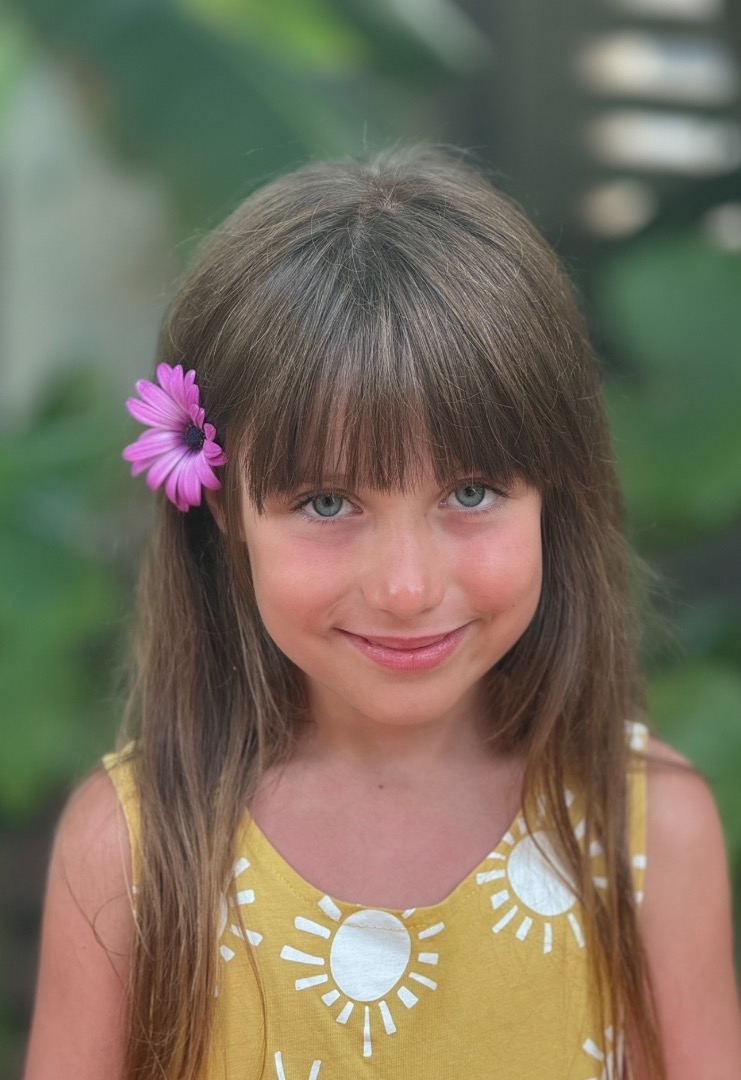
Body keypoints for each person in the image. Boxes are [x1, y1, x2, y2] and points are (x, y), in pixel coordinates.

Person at [24, 148, 741, 1080]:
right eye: (327, 503)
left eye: (470, 493)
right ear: (223, 511)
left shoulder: (648, 830)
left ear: (555, 493)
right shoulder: (132, 852)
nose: (406, 588)